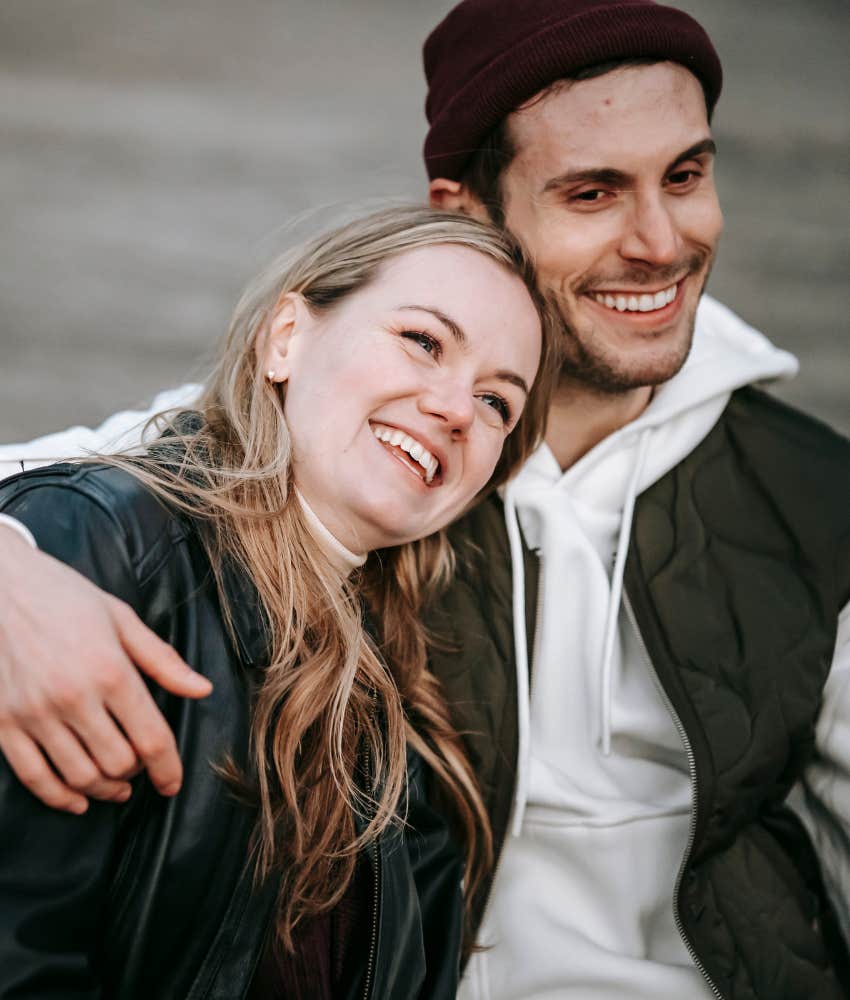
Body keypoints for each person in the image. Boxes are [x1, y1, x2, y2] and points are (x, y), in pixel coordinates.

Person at [0, 1, 848, 997]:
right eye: (590, 192)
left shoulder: (813, 498)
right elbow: (129, 483)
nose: (661, 242)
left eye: (686, 175)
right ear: (465, 213)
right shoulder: (340, 450)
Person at [0, 204, 554, 998]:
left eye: (499, 401)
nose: (458, 410)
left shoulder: (406, 705)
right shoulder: (102, 550)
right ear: (285, 337)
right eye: (423, 341)